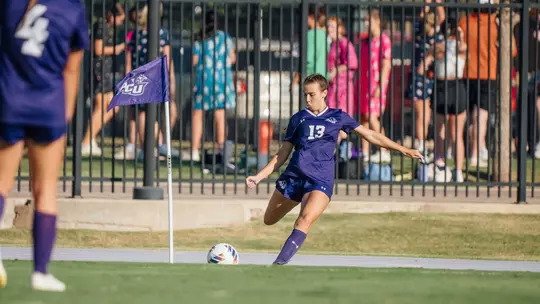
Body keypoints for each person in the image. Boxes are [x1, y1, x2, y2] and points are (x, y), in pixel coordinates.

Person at [245, 74, 423, 265]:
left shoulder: (338, 117)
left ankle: (278, 265)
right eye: (305, 94)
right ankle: (296, 202)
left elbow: (370, 135)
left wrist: (403, 149)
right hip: (294, 177)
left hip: (320, 180)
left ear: (324, 93)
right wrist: (259, 176)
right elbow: (282, 154)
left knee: (304, 220)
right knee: (269, 219)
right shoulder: (298, 119)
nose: (307, 99)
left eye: (311, 94)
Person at [0, 0, 88, 291]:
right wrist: (65, 113)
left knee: (1, 184)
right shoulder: (72, 9)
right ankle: (40, 272)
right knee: (46, 189)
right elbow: (71, 70)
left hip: (9, 101)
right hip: (47, 106)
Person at [81, 3, 125, 156]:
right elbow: (98, 49)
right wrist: (117, 49)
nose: (120, 23)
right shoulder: (101, 25)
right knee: (102, 107)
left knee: (111, 107)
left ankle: (90, 138)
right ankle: (86, 141)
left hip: (104, 71)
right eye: (120, 19)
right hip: (98, 71)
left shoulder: (106, 27)